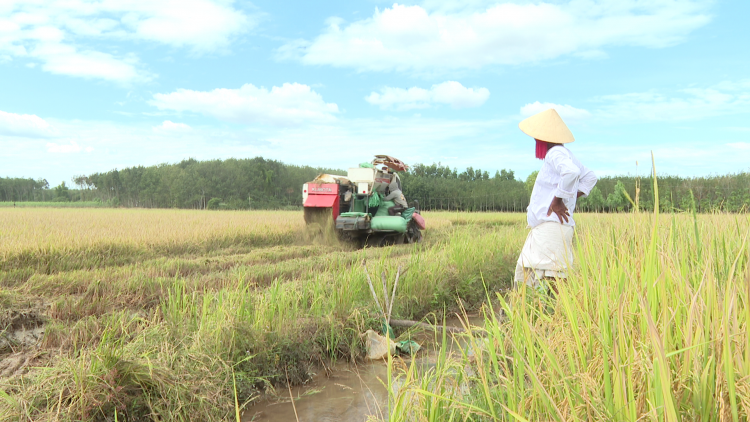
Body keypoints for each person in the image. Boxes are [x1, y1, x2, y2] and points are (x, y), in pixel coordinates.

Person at [514, 108, 597, 291]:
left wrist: (558, 200)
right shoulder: (566, 154)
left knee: (551, 281)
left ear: (543, 138)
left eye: (537, 138)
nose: (535, 141)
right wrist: (567, 195)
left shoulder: (555, 153)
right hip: (552, 228)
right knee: (540, 275)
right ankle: (542, 315)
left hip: (551, 227)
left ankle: (549, 316)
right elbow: (590, 177)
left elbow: (572, 172)